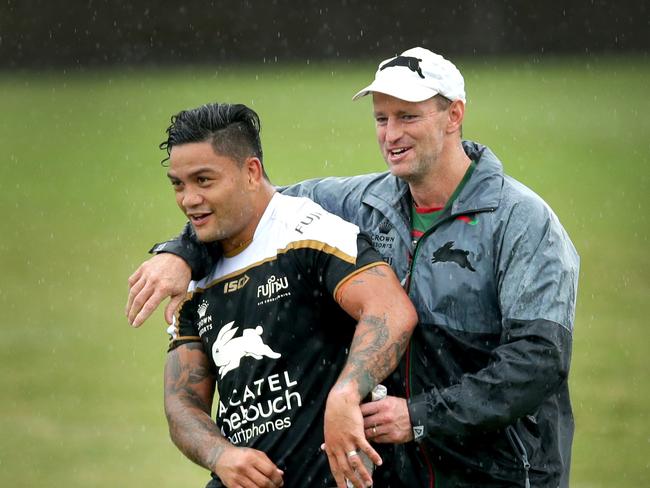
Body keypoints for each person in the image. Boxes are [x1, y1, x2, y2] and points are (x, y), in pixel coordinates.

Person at [127, 48, 580, 487]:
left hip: (501, 472)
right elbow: (251, 204)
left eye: (408, 117)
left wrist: (420, 417)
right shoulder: (358, 204)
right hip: (400, 474)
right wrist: (179, 253)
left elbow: (538, 361)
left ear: (454, 116)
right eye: (381, 119)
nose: (391, 134)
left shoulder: (522, 221)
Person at [150, 102, 417, 488]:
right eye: (178, 184)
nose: (188, 199)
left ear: (251, 172)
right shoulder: (194, 276)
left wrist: (345, 393)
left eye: (204, 180)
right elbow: (182, 403)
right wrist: (220, 454)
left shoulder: (308, 233)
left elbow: (392, 310)